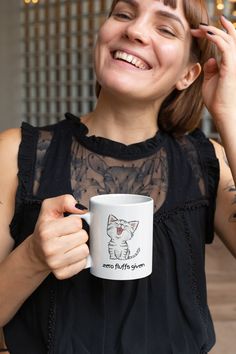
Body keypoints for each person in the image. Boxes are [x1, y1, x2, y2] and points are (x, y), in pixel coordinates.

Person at [0, 0, 236, 353]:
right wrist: (32, 257)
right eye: (123, 14)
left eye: (165, 28)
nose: (135, 31)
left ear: (188, 74)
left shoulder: (206, 161)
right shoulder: (15, 153)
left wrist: (228, 114)